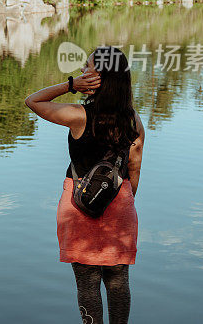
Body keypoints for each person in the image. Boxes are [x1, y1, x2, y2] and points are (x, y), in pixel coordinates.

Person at [24, 46, 145, 324]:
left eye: (87, 68)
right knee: (118, 279)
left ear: (99, 77)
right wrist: (124, 201)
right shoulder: (133, 119)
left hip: (79, 206)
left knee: (88, 283)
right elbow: (134, 167)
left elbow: (33, 101)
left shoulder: (79, 116)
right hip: (121, 204)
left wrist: (70, 85)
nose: (82, 71)